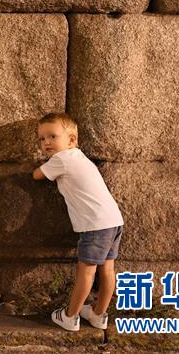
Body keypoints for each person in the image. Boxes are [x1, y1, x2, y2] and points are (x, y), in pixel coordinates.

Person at [33, 113, 124, 332]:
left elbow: (37, 175)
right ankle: (98, 314)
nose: (46, 142)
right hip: (113, 220)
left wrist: (39, 166)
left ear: (72, 139)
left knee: (87, 272)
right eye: (42, 138)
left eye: (52, 136)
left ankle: (70, 316)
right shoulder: (78, 157)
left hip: (94, 225)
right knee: (108, 270)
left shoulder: (61, 160)